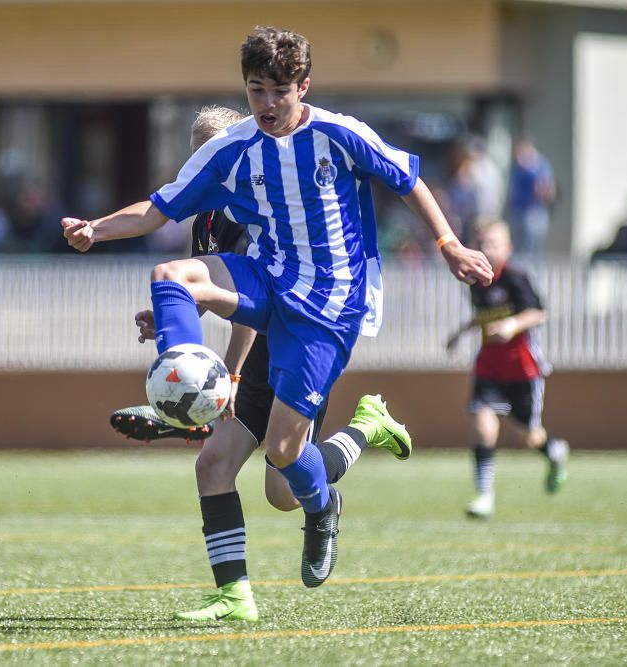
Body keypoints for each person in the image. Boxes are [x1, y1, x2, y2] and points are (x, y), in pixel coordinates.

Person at [61, 26, 492, 609]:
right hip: (270, 278)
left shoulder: (339, 135)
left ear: (302, 87)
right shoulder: (231, 149)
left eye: (278, 92)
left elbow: (408, 180)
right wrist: (98, 227)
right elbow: (157, 208)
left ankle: (324, 503)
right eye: (255, 89)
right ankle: (185, 389)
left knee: (285, 462)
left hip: (330, 306)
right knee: (171, 278)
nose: (265, 104)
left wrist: (448, 245)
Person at [110, 106, 409, 622]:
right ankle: (235, 596)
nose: (208, 158)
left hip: (288, 348)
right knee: (214, 465)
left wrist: (227, 375)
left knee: (284, 491)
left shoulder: (259, 209)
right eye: (198, 148)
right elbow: (219, 289)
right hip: (253, 358)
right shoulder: (204, 216)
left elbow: (254, 311)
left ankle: (364, 428)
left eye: (216, 146)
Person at [445, 218, 569, 519]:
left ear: (508, 248)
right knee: (483, 425)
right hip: (489, 365)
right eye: (482, 243)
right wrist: (461, 332)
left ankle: (554, 452)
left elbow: (538, 313)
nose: (487, 249)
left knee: (528, 436)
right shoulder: (476, 282)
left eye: (494, 243)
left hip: (522, 369)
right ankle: (484, 495)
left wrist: (513, 325)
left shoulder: (516, 278)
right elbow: (484, 316)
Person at [505, 135, 555, 257]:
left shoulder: (538, 165)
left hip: (533, 212)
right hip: (519, 212)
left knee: (531, 249)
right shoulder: (518, 167)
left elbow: (544, 188)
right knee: (520, 249)